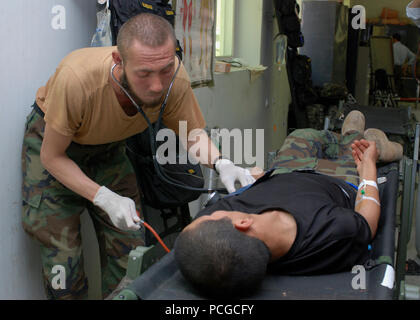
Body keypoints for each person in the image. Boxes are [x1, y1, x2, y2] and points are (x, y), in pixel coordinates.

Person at [21, 13, 254, 300]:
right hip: (56, 148)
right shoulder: (77, 80)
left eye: (165, 69)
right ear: (119, 61)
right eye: (144, 73)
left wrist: (222, 163)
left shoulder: (174, 78)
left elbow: (192, 134)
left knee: (131, 251)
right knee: (63, 261)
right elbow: (52, 157)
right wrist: (103, 197)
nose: (157, 85)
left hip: (108, 149)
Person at [174, 111, 403, 298]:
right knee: (363, 144)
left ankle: (344, 135)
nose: (210, 212)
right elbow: (367, 221)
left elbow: (232, 198)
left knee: (304, 134)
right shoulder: (331, 233)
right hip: (338, 178)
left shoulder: (228, 231)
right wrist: (368, 169)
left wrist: (255, 177)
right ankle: (377, 143)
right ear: (243, 222)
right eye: (208, 217)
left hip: (284, 170)